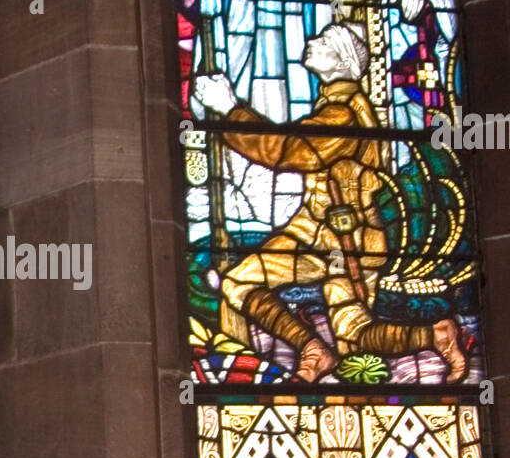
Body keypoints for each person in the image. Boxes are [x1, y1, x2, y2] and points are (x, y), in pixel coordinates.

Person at [193, 23, 465, 383]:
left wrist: (230, 109)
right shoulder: (338, 105)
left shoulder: (344, 114)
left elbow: (289, 150)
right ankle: (332, 347)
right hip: (330, 232)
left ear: (342, 59)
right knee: (250, 288)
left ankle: (412, 338)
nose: (311, 41)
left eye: (322, 41)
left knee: (341, 329)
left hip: (339, 238)